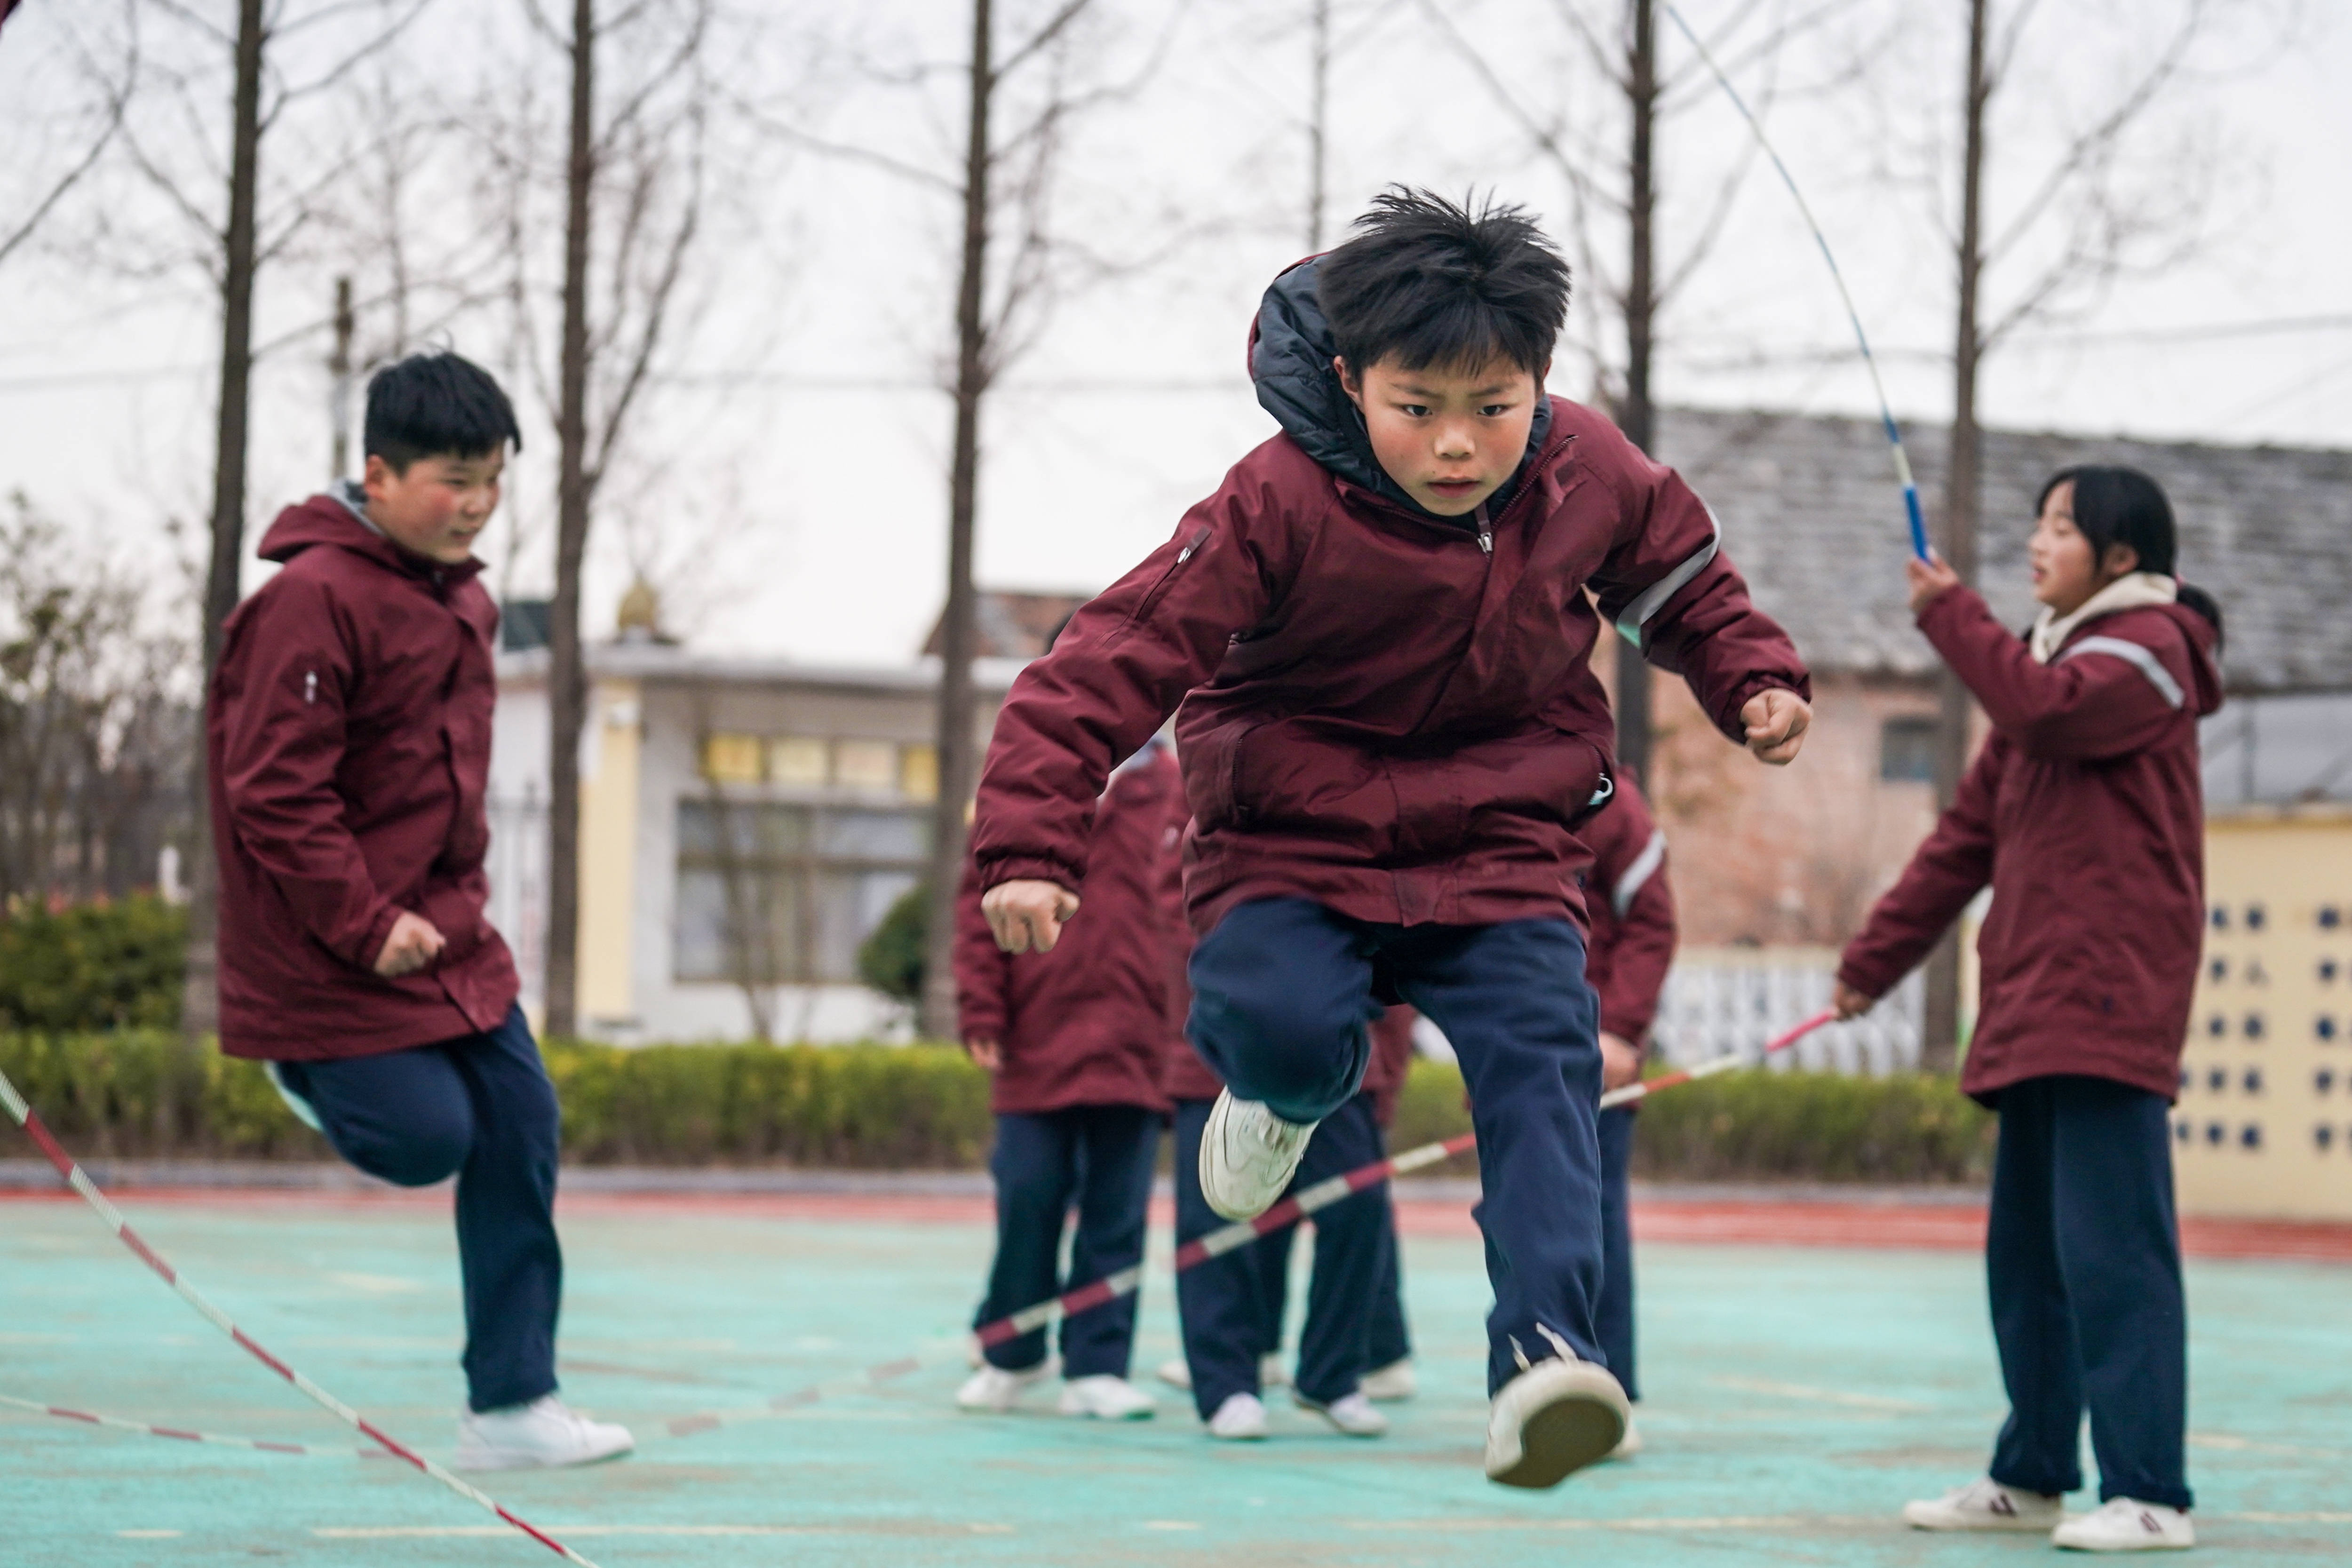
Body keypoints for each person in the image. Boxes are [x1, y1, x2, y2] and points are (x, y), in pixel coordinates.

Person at [969, 188, 1812, 1488]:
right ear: (1355, 380)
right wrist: (1032, 840)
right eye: (1420, 410)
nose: (1461, 446)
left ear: (1540, 378)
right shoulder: (1277, 499)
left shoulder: (1586, 465)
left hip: (1503, 842)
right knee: (1293, 1030)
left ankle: (1542, 1358)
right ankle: (1279, 1096)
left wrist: (1749, 672)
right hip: (1292, 841)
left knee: (1548, 1069)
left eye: (1496, 406)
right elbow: (1106, 661)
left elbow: (1679, 574)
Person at [208, 352, 630, 1471]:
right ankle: (304, 1072)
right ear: (377, 474)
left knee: (521, 1124)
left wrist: (445, 913)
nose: (476, 503)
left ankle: (510, 1408)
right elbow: (273, 793)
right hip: (329, 945)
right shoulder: (309, 601)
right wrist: (362, 919)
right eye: (453, 479)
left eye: (492, 478)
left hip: (449, 937)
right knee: (424, 1141)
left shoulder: (468, 600)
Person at [1835, 466, 2223, 1552]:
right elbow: (1965, 838)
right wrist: (1873, 960)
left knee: (2115, 1253)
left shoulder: (2148, 653)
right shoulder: (2049, 672)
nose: (2038, 543)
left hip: (2107, 995)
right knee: (2030, 1256)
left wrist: (1949, 614)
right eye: (2039, 524)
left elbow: (2043, 711)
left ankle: (2152, 1491)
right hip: (2034, 998)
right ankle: (2035, 1471)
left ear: (2121, 557)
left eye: (2062, 527)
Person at [952, 738, 1181, 1421]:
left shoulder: (1179, 790)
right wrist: (982, 1005)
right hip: (1038, 1032)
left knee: (1118, 1210)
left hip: (1139, 1035)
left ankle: (1098, 1365)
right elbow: (977, 906)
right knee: (1027, 1195)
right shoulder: (1028, 783)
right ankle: (1011, 1355)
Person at [1162, 1006, 1395, 1441]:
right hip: (1217, 1058)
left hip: (1334, 1057)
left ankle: (1333, 1377)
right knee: (1217, 1221)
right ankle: (1226, 1386)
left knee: (1360, 1206)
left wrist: (1386, 1071)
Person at [1578, 767, 1677, 1457]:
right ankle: (1535, 1380)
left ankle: (1609, 1390)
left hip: (1596, 1064)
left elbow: (1653, 919)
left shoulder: (1612, 797)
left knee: (1595, 1218)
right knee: (1515, 1217)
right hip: (1513, 1055)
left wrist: (1621, 1029)